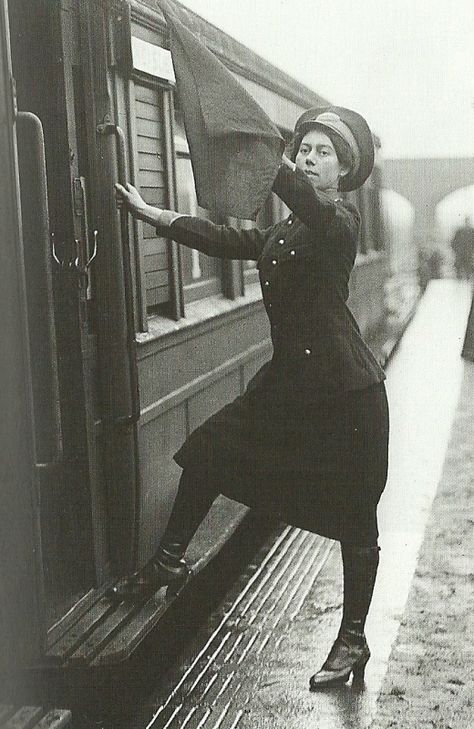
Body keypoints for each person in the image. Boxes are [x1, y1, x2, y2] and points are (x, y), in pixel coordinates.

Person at [111, 106, 389, 690]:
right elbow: (227, 239)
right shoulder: (283, 232)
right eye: (304, 150)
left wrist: (273, 161)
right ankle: (168, 561)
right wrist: (156, 215)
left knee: (355, 519)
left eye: (322, 155)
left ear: (343, 172)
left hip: (345, 393)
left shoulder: (339, 221)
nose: (310, 161)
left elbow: (308, 204)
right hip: (289, 387)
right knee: (206, 449)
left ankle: (353, 640)